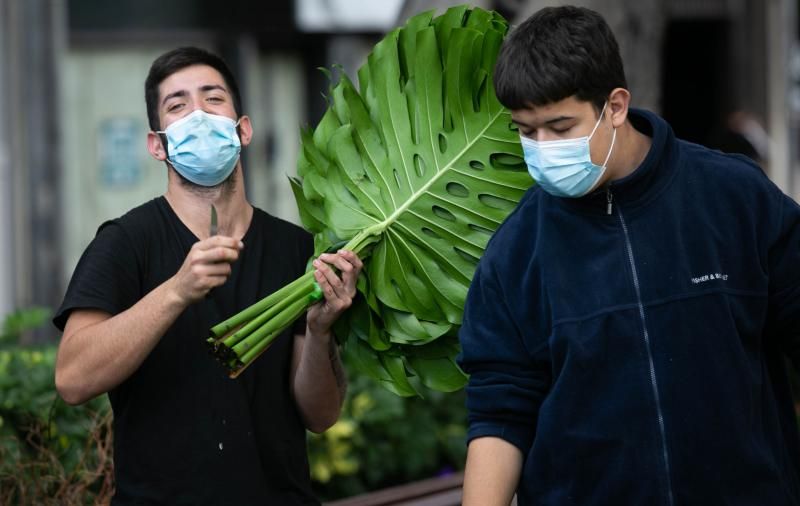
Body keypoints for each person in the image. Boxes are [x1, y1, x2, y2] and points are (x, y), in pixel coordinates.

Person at [458, 6, 800, 506]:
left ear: (615, 106)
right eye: (526, 131)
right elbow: (499, 412)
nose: (543, 148)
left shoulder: (734, 198)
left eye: (559, 126)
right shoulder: (514, 252)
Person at [53, 46, 362, 505]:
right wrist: (177, 291)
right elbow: (72, 379)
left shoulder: (296, 249)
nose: (198, 114)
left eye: (213, 99)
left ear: (244, 130)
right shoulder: (124, 243)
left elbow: (321, 416)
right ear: (157, 144)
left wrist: (319, 332)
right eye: (177, 106)